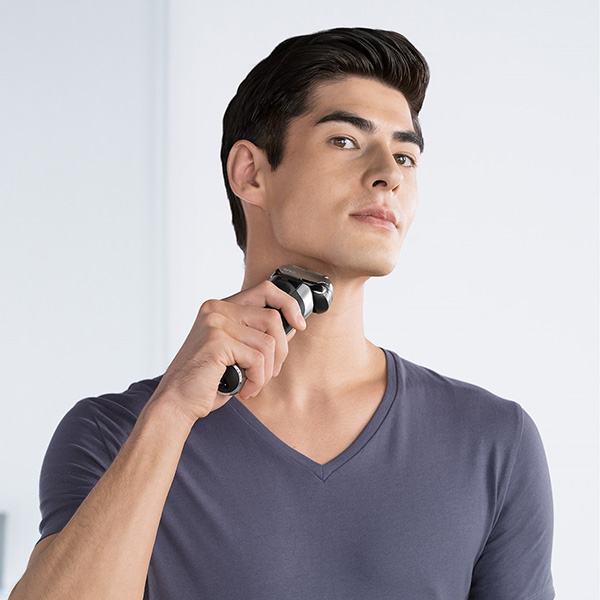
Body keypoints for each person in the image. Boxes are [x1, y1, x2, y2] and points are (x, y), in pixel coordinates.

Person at [10, 27, 554, 600]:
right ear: (251, 172)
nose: (390, 175)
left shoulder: (493, 442)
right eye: (345, 140)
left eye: (405, 156)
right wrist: (170, 414)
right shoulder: (113, 434)